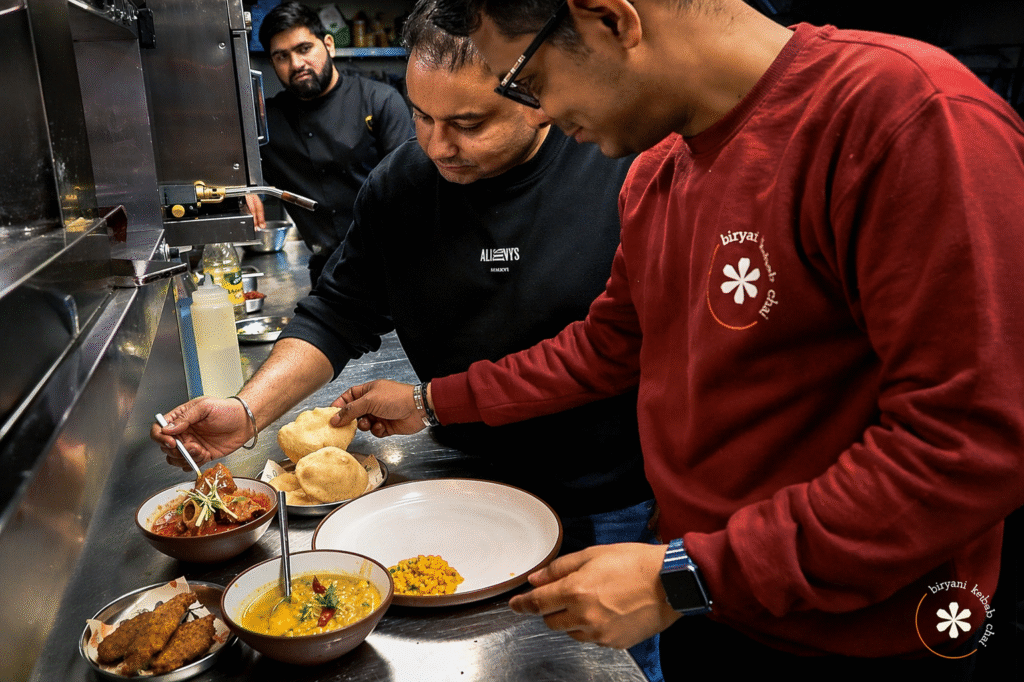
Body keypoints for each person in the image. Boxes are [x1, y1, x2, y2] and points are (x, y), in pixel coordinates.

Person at [330, 0, 1024, 678]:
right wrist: (436, 399)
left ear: (611, 19)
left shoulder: (903, 119)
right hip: (711, 610)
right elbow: (607, 346)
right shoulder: (660, 172)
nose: (541, 115)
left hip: (867, 638)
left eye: (528, 83)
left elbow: (967, 445)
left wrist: (683, 577)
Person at [153, 2, 662, 678]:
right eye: (421, 116)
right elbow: (337, 311)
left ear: (538, 96)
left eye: (468, 123)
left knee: (607, 665)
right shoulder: (400, 187)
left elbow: (618, 351)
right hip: (464, 476)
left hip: (606, 490)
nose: (437, 145)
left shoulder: (622, 170)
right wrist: (248, 412)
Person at [251, 2, 414, 284]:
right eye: (281, 56)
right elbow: (218, 161)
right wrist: (244, 185)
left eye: (304, 49)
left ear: (329, 44)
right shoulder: (266, 122)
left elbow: (412, 188)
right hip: (328, 275)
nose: (296, 64)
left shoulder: (380, 101)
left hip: (395, 266)